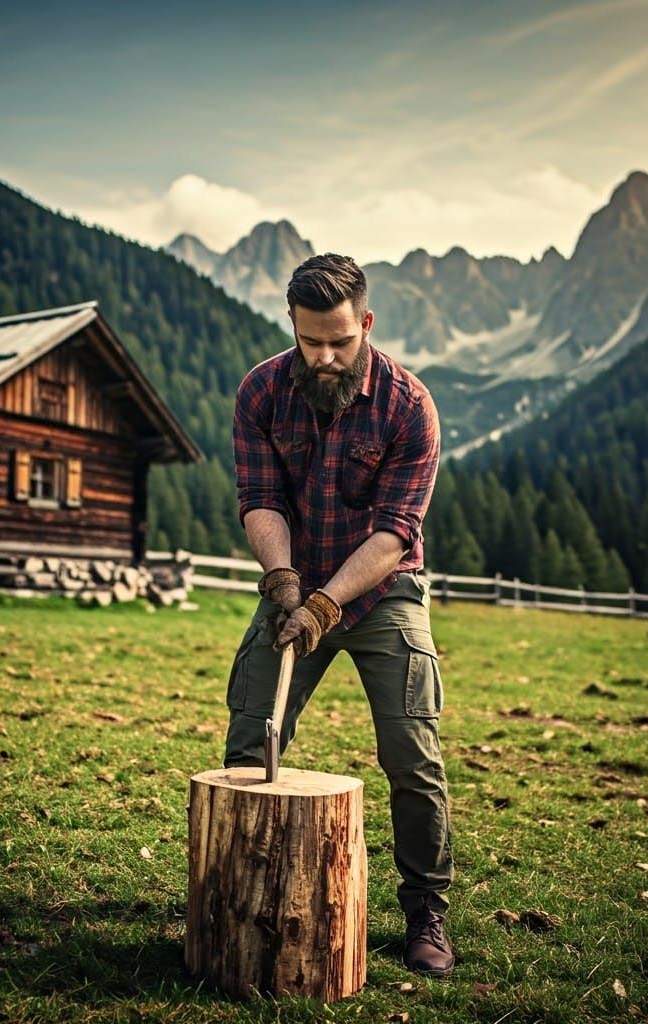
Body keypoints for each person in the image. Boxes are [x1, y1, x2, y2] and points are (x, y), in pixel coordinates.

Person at [224, 253, 455, 975]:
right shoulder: (262, 392)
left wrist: (329, 603)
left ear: (367, 323)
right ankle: (239, 895)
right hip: (294, 590)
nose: (325, 357)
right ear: (291, 325)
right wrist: (284, 580)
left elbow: (395, 533)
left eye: (341, 341)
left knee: (413, 757)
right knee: (250, 739)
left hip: (382, 594)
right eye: (310, 340)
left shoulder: (408, 406)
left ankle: (425, 912)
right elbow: (260, 498)